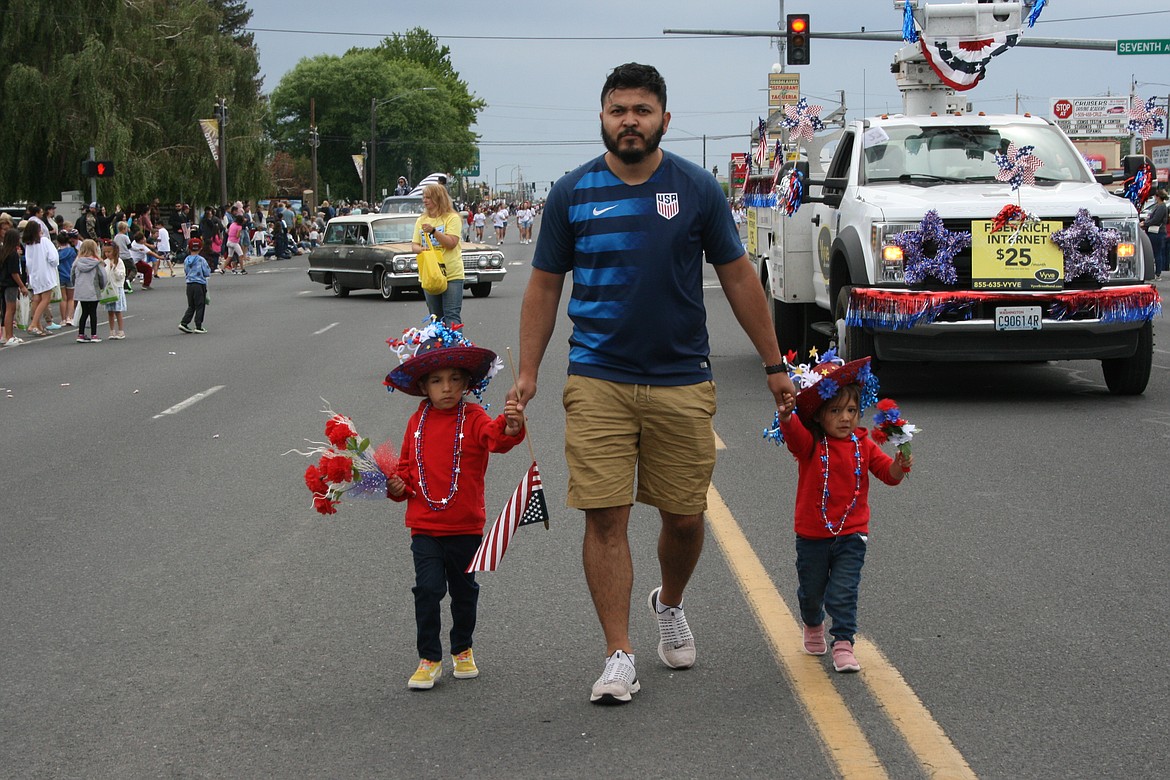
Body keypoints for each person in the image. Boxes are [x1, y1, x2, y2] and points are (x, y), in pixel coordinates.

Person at [507, 62, 797, 705]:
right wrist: (527, 372)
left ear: (665, 118)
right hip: (597, 378)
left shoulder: (696, 190)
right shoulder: (570, 193)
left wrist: (774, 364)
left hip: (680, 380)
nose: (629, 121)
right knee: (605, 515)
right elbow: (545, 286)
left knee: (685, 518)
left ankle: (670, 601)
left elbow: (739, 276)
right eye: (618, 110)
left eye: (642, 110)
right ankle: (619, 652)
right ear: (602, 117)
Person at [383, 321, 526, 690]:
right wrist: (397, 488)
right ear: (423, 386)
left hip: (464, 527)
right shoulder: (416, 422)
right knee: (428, 590)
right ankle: (429, 658)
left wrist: (511, 427)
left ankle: (462, 648)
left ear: (466, 384)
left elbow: (497, 438)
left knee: (464, 593)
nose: (446, 388)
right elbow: (405, 473)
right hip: (425, 527)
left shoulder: (475, 417)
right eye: (436, 381)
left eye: (454, 379)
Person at [773, 355, 913, 673]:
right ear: (819, 415)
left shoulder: (864, 445)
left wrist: (901, 462)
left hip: (852, 533)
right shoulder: (811, 444)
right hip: (813, 535)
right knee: (812, 592)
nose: (845, 418)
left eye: (851, 410)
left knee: (843, 591)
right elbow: (794, 437)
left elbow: (888, 475)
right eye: (835, 411)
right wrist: (787, 416)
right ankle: (812, 624)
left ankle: (844, 643)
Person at [412, 183, 465, 327]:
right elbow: (414, 245)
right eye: (424, 197)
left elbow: (451, 243)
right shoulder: (421, 220)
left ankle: (455, 348)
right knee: (435, 317)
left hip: (451, 274)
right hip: (430, 274)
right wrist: (421, 250)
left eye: (428, 197)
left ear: (438, 198)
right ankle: (439, 348)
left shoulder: (452, 218)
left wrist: (434, 231)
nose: (425, 200)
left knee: (451, 315)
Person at [22, 219, 60, 336]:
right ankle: (33, 324)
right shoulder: (44, 241)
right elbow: (53, 258)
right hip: (45, 273)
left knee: (36, 298)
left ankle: (38, 325)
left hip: (34, 274)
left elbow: (28, 262)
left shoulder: (29, 244)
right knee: (45, 299)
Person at [71, 239, 106, 343]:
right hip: (93, 290)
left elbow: (72, 275)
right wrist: (101, 286)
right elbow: (102, 276)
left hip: (81, 290)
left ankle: (80, 334)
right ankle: (94, 335)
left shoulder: (77, 262)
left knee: (84, 312)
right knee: (93, 312)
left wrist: (75, 285)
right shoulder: (97, 263)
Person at [1, 227, 30, 346]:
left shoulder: (3, 251)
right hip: (10, 284)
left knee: (5, 309)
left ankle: (6, 335)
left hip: (2, 283)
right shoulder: (13, 254)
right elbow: (14, 273)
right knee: (10, 310)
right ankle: (9, 336)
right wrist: (22, 286)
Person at [179, 237, 211, 334]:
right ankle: (198, 325)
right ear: (201, 248)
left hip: (189, 284)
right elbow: (206, 272)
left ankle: (184, 322)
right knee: (200, 305)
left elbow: (186, 271)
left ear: (189, 248)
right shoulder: (201, 260)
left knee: (191, 305)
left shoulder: (187, 259)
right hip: (199, 284)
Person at [101, 243, 127, 339]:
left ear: (114, 251)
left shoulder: (119, 262)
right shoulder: (105, 262)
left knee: (117, 310)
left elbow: (121, 275)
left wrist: (114, 268)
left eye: (109, 251)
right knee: (110, 311)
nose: (107, 254)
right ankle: (111, 331)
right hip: (108, 289)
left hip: (116, 288)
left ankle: (121, 331)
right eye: (106, 252)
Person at [1140, 189, 1167, 281]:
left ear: (1158, 197)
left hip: (1157, 232)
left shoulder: (1162, 207)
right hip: (1152, 231)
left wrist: (1145, 224)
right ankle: (1155, 272)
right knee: (1155, 252)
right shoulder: (1157, 206)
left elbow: (1156, 219)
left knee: (1157, 253)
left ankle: (1158, 273)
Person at [56, 230, 77, 327]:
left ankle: (63, 319)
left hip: (60, 276)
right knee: (71, 298)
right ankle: (70, 317)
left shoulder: (57, 253)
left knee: (63, 298)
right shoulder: (72, 251)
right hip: (70, 276)